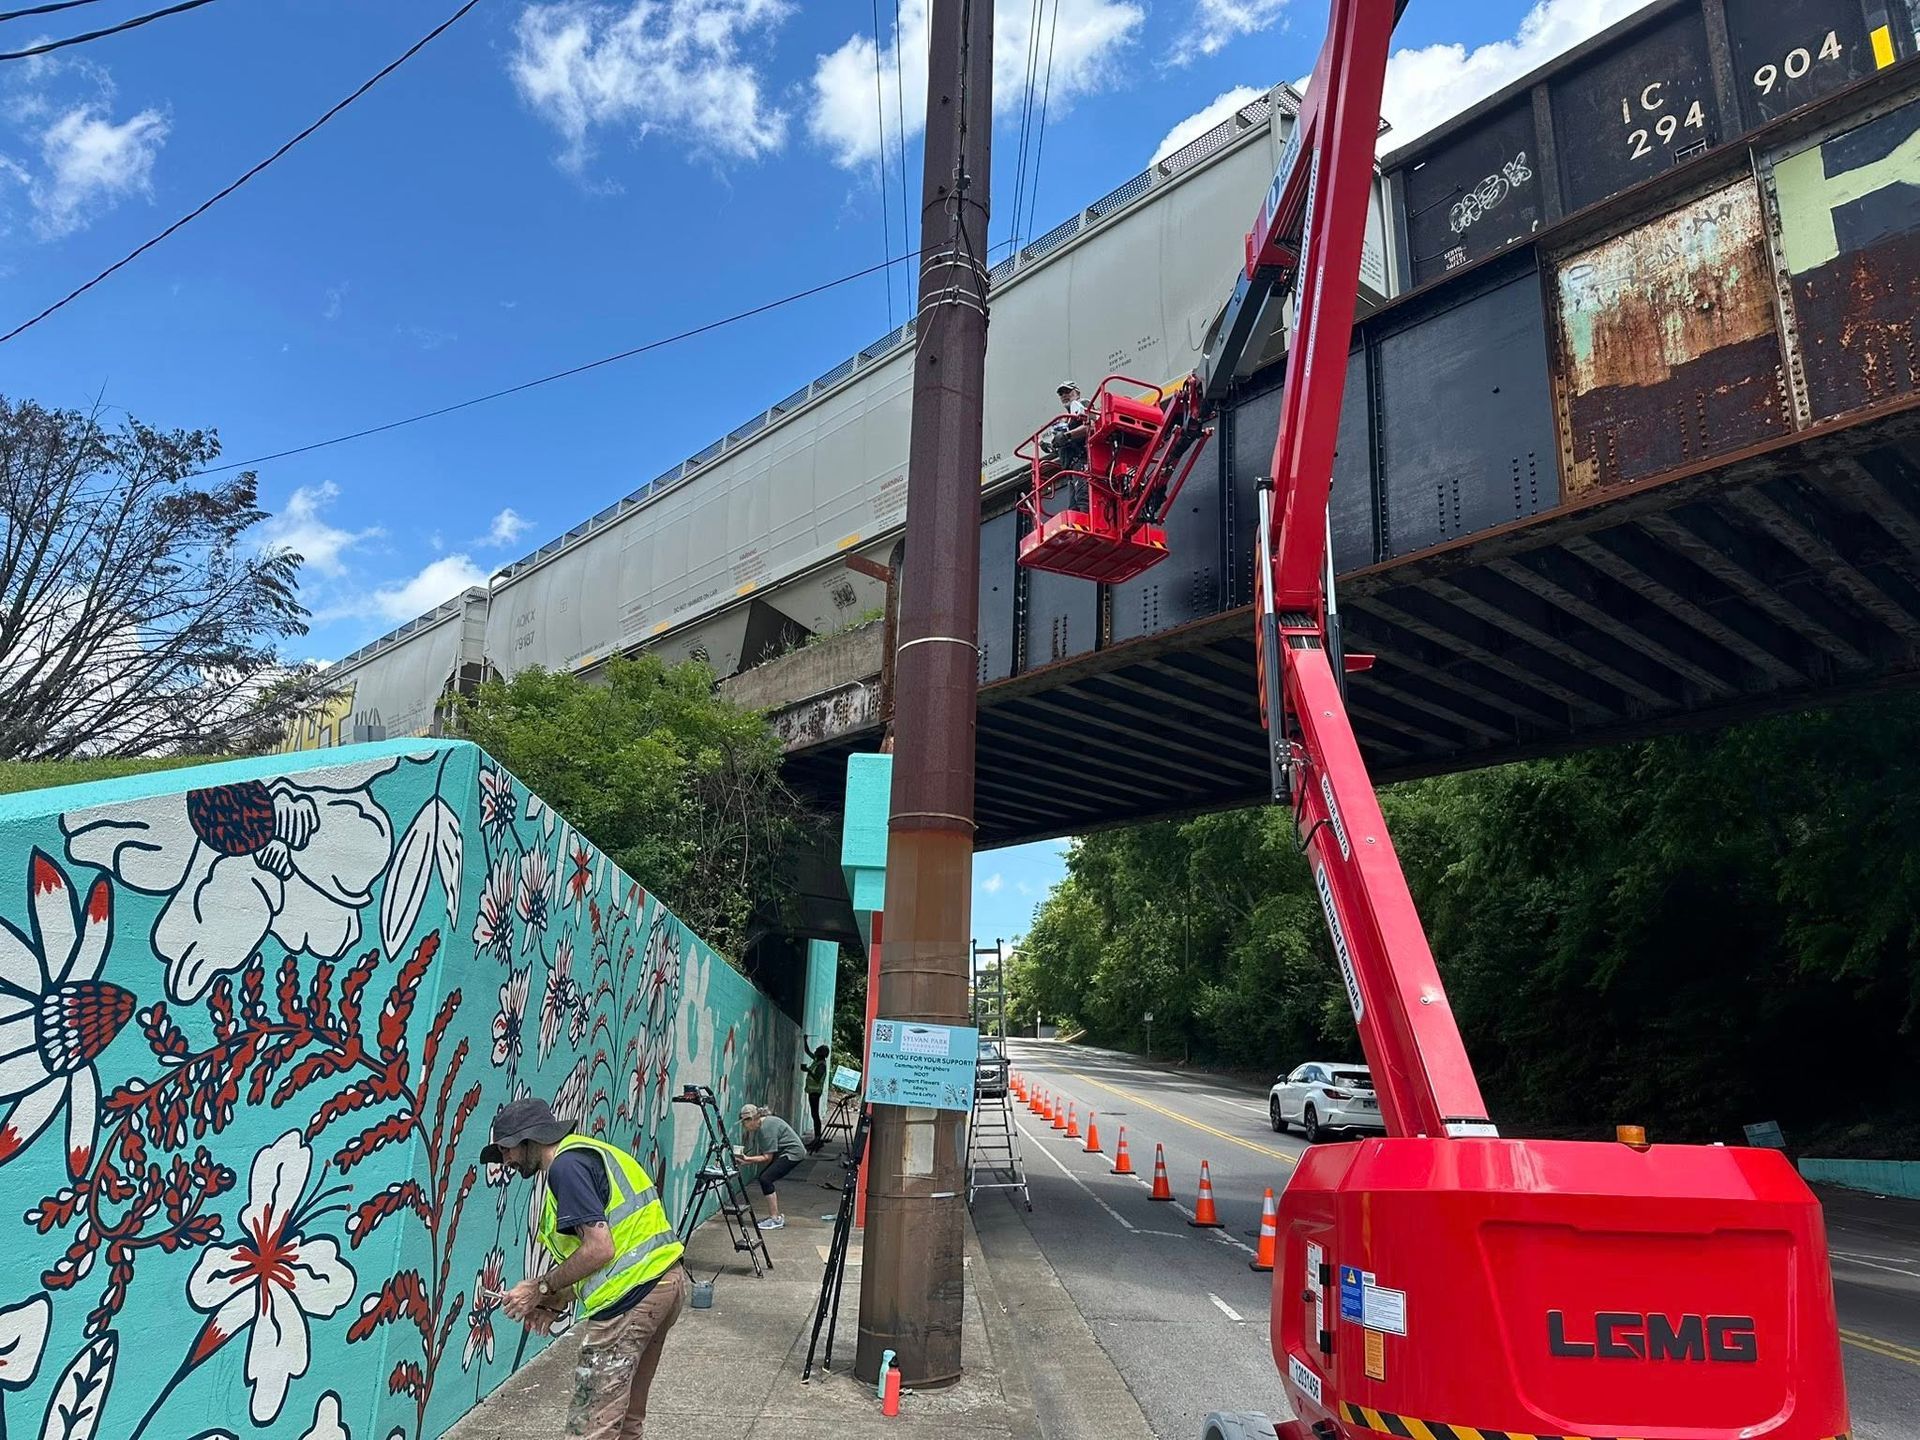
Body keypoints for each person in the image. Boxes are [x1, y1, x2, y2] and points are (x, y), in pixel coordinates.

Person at [483, 1097, 688, 1440]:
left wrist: (540, 1287)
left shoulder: (566, 1167)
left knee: (591, 1427)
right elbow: (612, 1247)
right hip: (664, 1285)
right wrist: (555, 1298)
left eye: (507, 1150)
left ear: (529, 1138)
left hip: (631, 1300)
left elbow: (599, 1249)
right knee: (625, 1422)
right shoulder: (591, 1153)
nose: (507, 1161)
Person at [736, 1103, 807, 1230]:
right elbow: (769, 1157)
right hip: (785, 1152)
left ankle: (775, 1219)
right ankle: (774, 1217)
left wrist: (747, 1159)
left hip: (793, 1153)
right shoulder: (765, 1124)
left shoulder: (765, 1129)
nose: (744, 1126)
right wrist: (747, 1161)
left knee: (765, 1179)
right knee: (765, 1178)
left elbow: (767, 1158)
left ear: (752, 1120)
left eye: (744, 1123)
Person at [1045, 382, 1093, 510]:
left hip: (1082, 462)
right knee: (1074, 508)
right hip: (1071, 470)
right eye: (1061, 394)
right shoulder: (1067, 420)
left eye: (1068, 391)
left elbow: (1091, 425)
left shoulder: (1081, 405)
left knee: (1084, 502)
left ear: (1077, 393)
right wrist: (1052, 445)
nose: (1064, 395)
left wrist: (1066, 436)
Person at [800, 1036, 831, 1147]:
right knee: (814, 1114)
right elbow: (807, 1051)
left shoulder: (821, 1065)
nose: (815, 1051)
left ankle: (817, 1138)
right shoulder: (818, 1061)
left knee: (815, 1115)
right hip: (812, 1092)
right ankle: (817, 1138)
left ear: (820, 1053)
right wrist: (805, 1040)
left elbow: (817, 1078)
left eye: (817, 1051)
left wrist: (807, 1070)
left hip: (815, 1093)